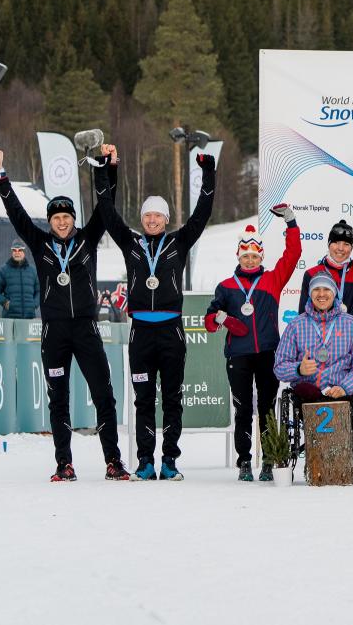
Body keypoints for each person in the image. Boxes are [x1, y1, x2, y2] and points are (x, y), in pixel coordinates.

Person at [0, 147, 128, 482]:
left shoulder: (88, 239)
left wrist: (109, 169)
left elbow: (106, 206)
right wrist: (0, 174)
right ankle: (64, 463)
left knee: (103, 395)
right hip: (54, 332)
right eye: (56, 217)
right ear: (50, 222)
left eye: (66, 216)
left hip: (86, 328)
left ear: (73, 220)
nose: (62, 221)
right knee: (58, 400)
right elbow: (16, 214)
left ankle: (113, 461)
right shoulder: (39, 244)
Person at [94, 143, 216, 481]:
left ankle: (170, 462)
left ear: (166, 219)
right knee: (144, 400)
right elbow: (106, 210)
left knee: (172, 400)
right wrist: (103, 169)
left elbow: (203, 212)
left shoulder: (179, 242)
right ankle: (145, 461)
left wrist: (208, 172)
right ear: (142, 218)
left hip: (171, 332)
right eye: (147, 215)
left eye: (158, 215)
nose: (151, 219)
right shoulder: (129, 242)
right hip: (140, 334)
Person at [205, 207, 302, 481]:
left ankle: (270, 459)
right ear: (238, 256)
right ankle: (245, 461)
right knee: (243, 409)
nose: (249, 260)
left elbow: (293, 254)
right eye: (245, 255)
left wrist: (291, 222)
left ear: (261, 256)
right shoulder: (226, 286)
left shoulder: (273, 279)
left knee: (267, 409)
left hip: (269, 353)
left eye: (254, 255)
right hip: (239, 356)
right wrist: (220, 318)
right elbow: (209, 321)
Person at [274, 272, 353, 480]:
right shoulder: (296, 326)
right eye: (316, 290)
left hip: (341, 392)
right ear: (309, 295)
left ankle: (352, 464)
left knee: (352, 398)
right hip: (308, 393)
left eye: (326, 289)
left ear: (334, 294)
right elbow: (279, 366)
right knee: (305, 390)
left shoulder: (352, 324)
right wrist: (299, 369)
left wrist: (345, 387)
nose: (321, 294)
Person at [297, 189, 353, 338]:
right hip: (322, 338)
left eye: (346, 244)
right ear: (329, 244)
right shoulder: (312, 273)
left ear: (351, 247)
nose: (340, 248)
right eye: (336, 242)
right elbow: (303, 312)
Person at [0, 240, 40, 319]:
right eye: (14, 250)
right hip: (10, 318)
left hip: (29, 318)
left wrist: (34, 305)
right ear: (12, 252)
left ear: (24, 252)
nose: (17, 252)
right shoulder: (4, 270)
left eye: (20, 250)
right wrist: (5, 302)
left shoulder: (33, 271)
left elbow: (39, 291)